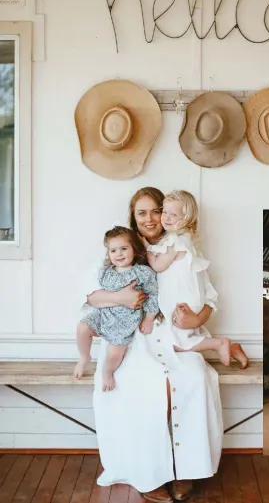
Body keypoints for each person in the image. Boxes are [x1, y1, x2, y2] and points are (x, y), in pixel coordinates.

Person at [84, 187, 224, 503]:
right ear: (133, 217)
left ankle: (186, 468)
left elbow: (210, 296)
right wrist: (121, 297)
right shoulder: (121, 247)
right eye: (141, 212)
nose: (150, 218)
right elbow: (90, 292)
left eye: (155, 211)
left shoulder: (181, 246)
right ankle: (147, 473)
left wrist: (197, 317)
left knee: (193, 377)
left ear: (167, 213)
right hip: (135, 336)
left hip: (176, 335)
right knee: (142, 384)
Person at [147, 190, 248, 368]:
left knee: (174, 343)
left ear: (186, 218)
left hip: (182, 300)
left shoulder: (176, 241)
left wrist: (145, 248)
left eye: (173, 214)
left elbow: (157, 266)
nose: (166, 218)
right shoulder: (185, 240)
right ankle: (233, 349)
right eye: (164, 212)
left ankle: (219, 344)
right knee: (188, 338)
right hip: (190, 298)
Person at [75, 226, 159, 391]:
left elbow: (153, 295)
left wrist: (149, 318)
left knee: (114, 354)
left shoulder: (142, 273)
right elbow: (94, 295)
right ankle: (84, 357)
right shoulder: (105, 272)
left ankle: (108, 372)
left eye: (124, 249)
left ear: (133, 249)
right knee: (82, 328)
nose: (119, 254)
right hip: (104, 314)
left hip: (125, 320)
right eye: (113, 250)